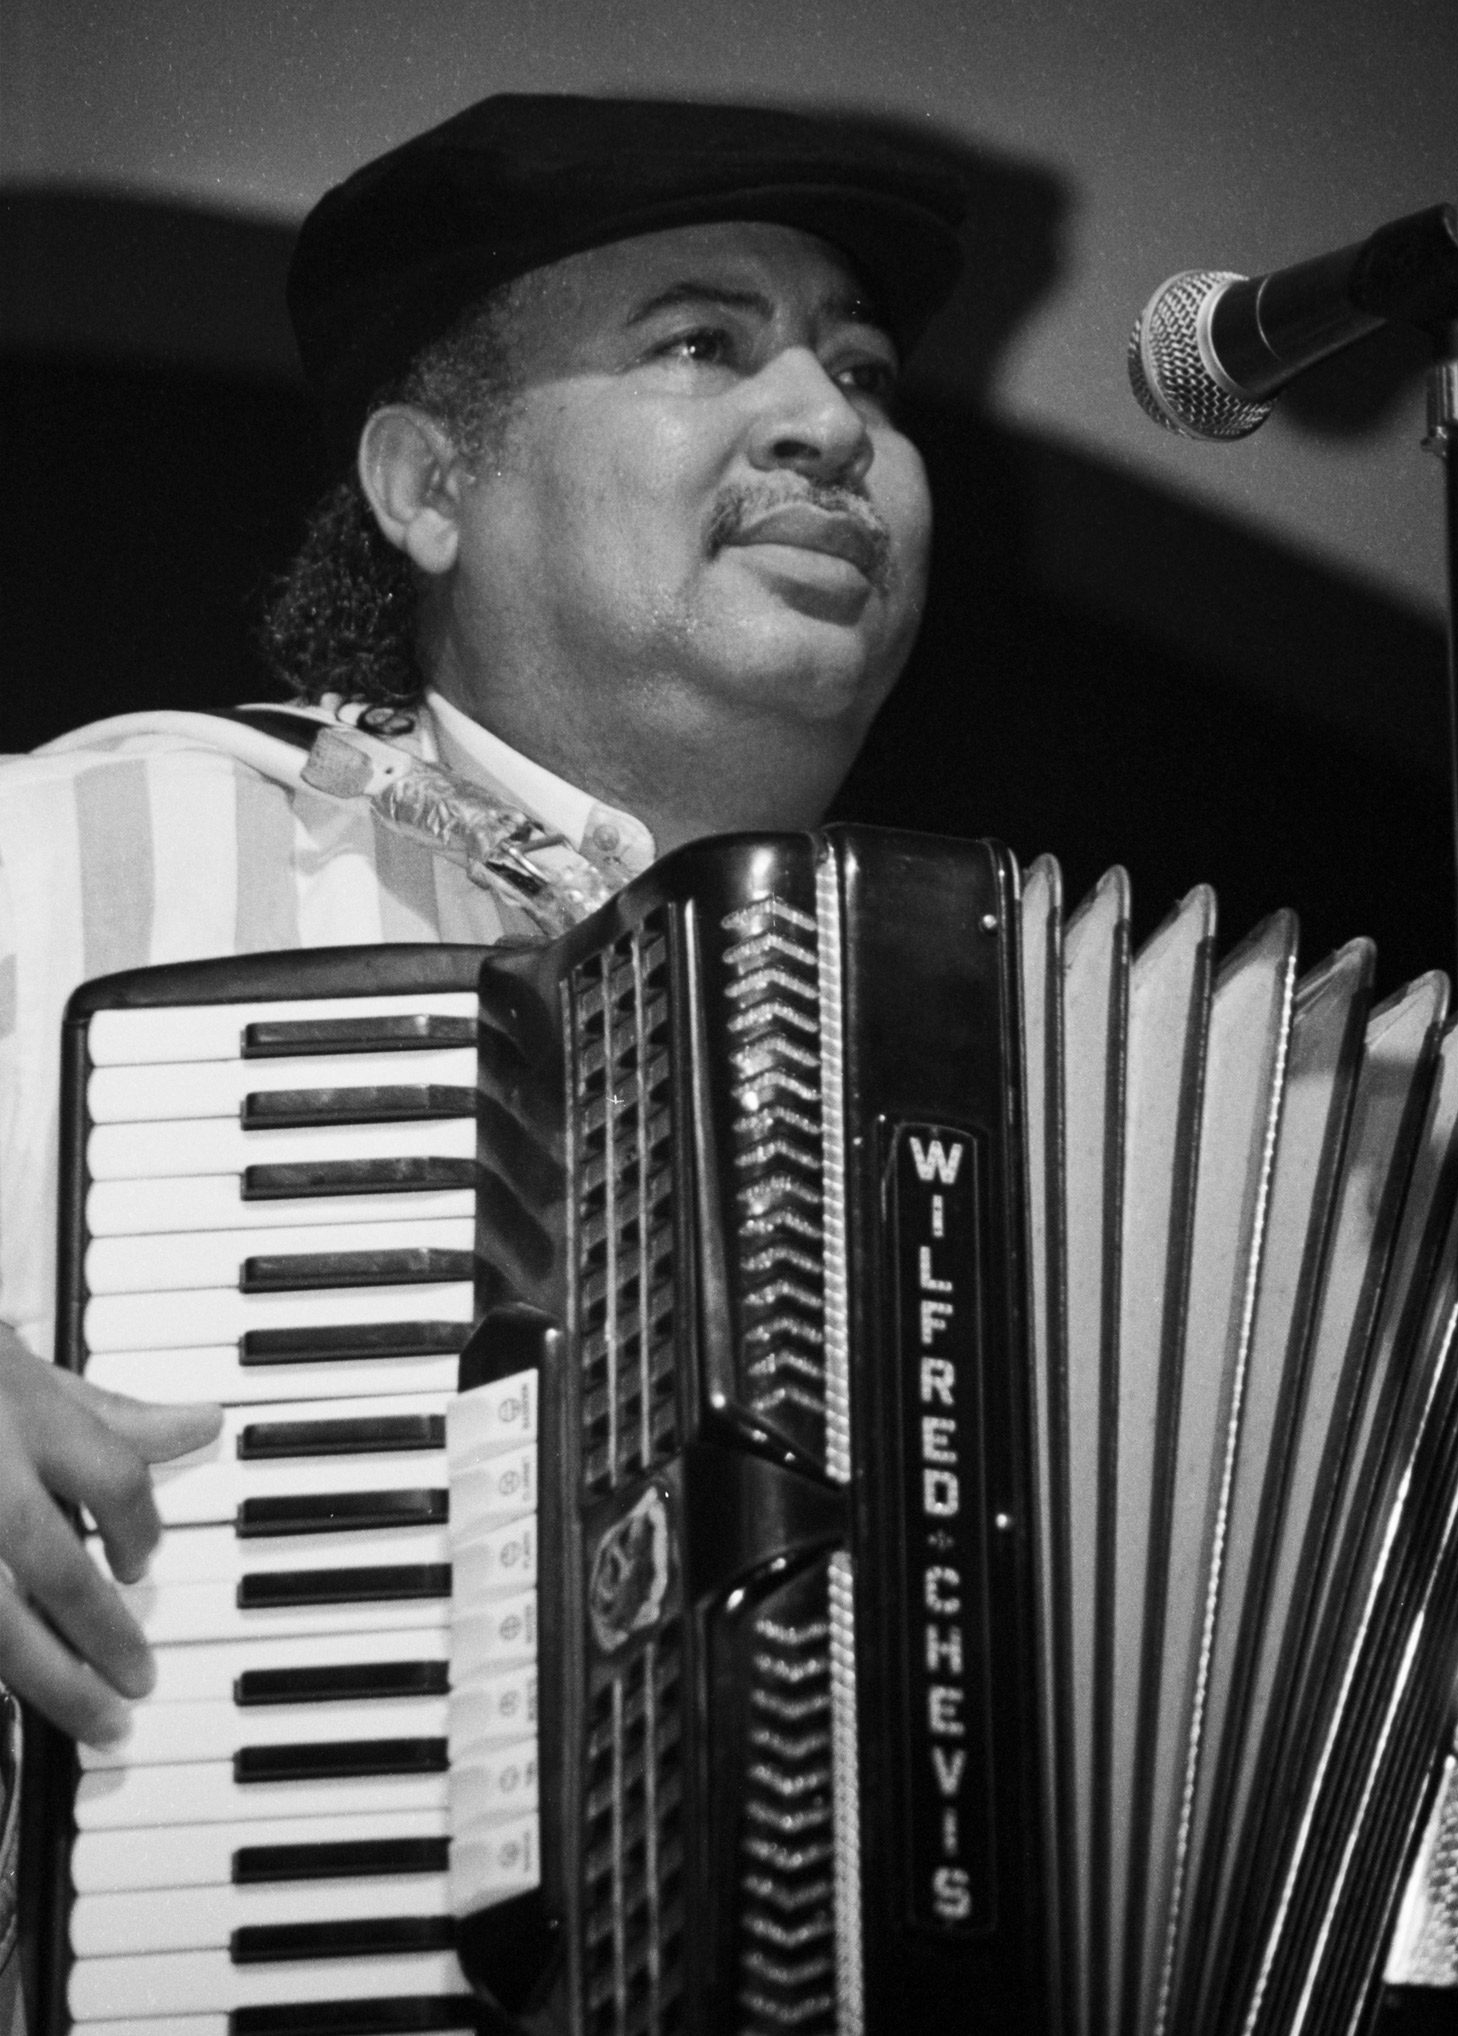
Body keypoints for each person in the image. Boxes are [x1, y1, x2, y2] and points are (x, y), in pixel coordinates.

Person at [0, 91, 965, 2021]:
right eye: (704, 342)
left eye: (859, 367)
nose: (832, 423)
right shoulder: (93, 850)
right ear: (430, 486)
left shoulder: (966, 1073)